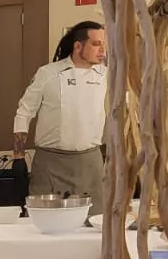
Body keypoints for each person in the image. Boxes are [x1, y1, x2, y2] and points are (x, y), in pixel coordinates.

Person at [14, 21, 108, 205]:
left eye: (104, 45)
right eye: (96, 44)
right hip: (51, 164)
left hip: (90, 163)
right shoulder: (48, 74)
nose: (102, 50)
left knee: (94, 222)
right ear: (78, 46)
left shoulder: (104, 74)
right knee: (45, 221)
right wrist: (18, 156)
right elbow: (24, 111)